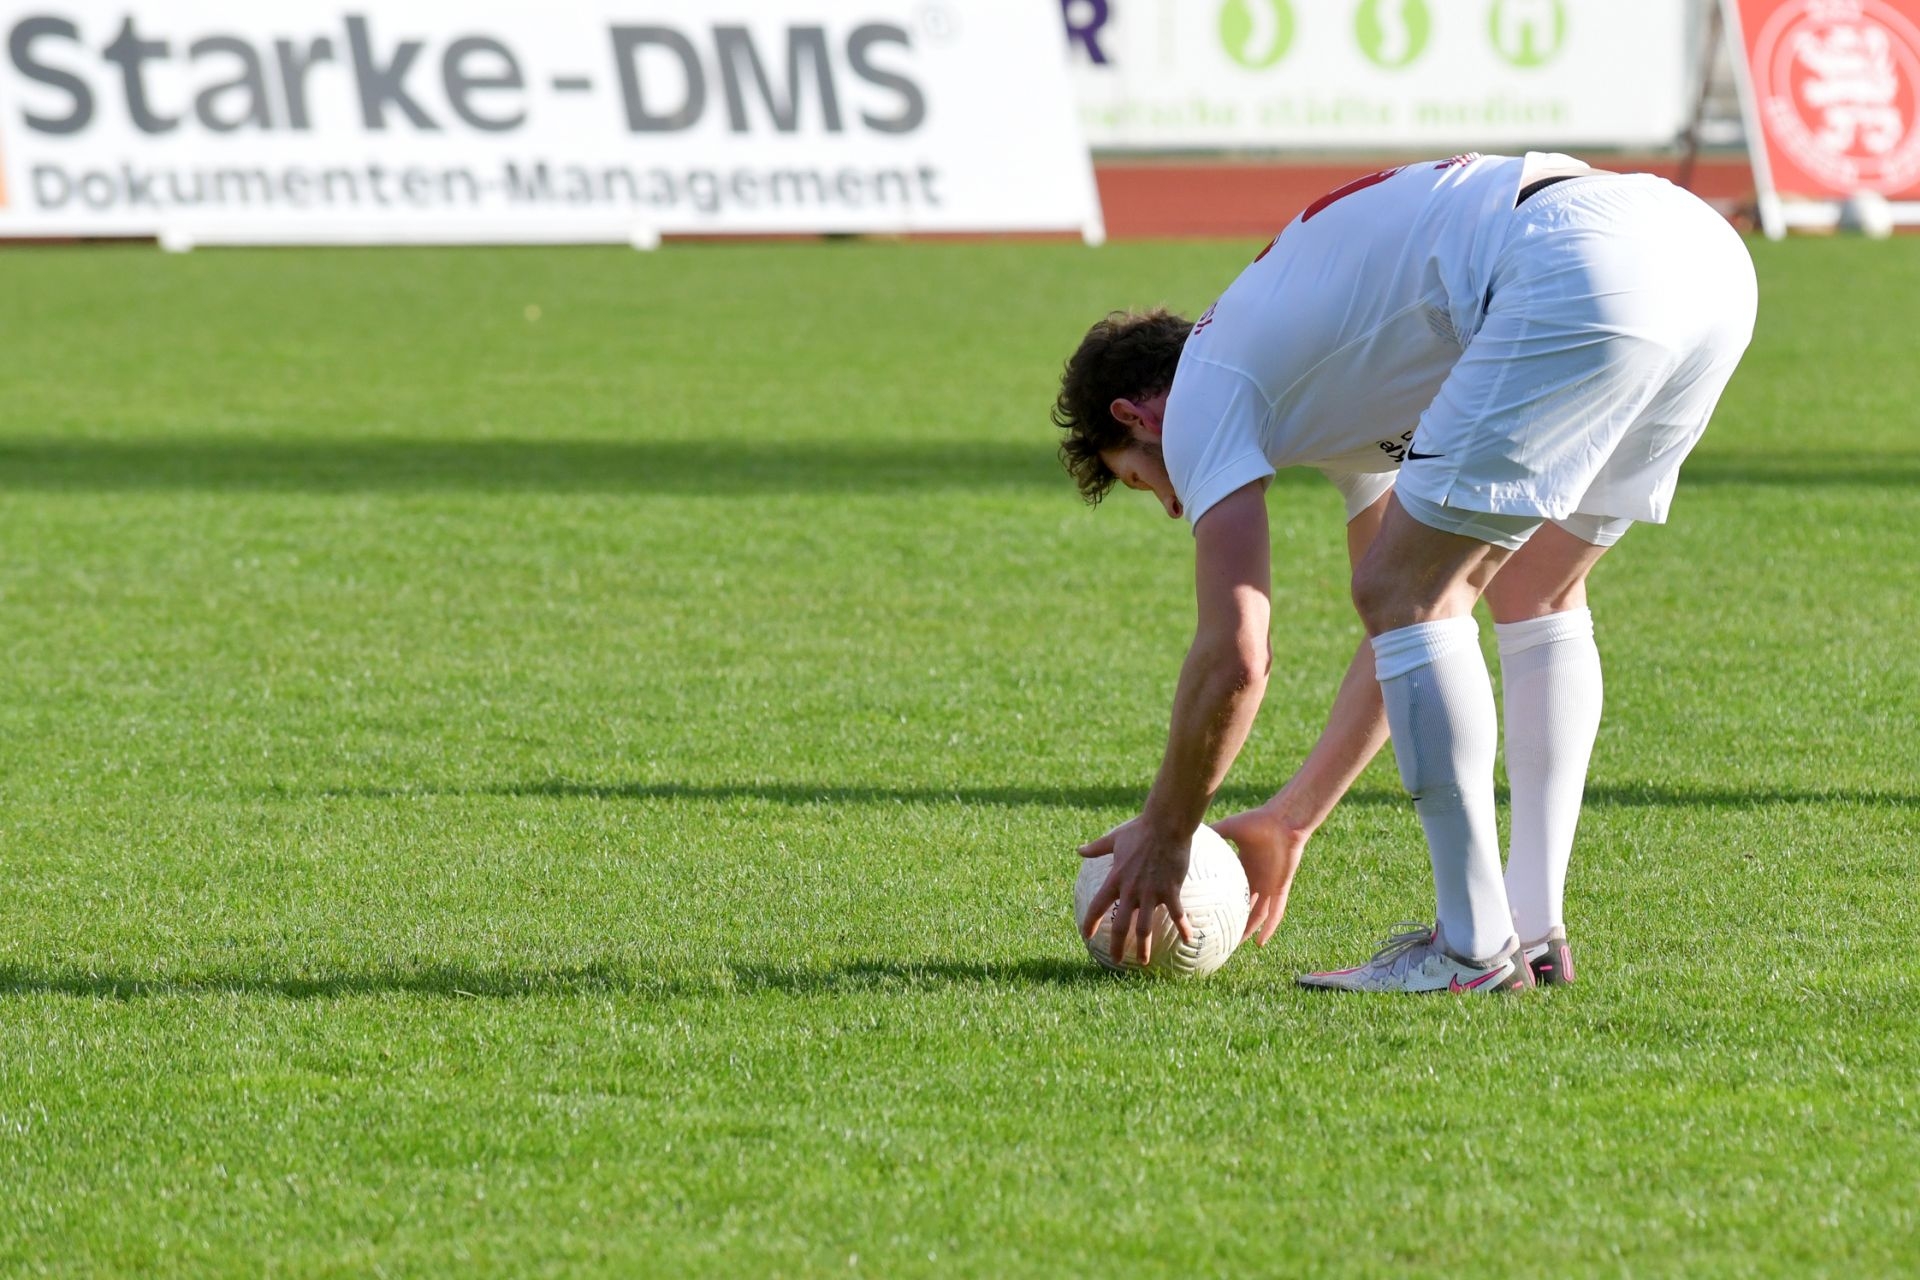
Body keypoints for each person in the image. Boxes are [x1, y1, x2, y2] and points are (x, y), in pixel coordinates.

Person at [1056, 152, 1756, 993]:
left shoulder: (1207, 388)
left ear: (1137, 415)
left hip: (1576, 261)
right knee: (1532, 589)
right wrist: (1293, 816)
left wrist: (1169, 830)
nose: (1171, 506)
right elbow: (1407, 640)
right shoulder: (1322, 375)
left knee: (1413, 592)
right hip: (1704, 259)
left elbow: (1240, 655)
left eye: (1143, 477)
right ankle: (1531, 934)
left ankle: (1471, 952)